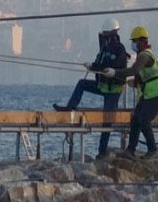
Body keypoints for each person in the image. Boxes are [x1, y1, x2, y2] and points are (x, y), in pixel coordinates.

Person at [53, 18, 129, 158]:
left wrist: (96, 67)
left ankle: (101, 151)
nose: (103, 37)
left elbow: (114, 66)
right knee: (82, 83)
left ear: (111, 33)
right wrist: (92, 66)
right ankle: (70, 108)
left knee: (108, 121)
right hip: (103, 87)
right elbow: (100, 64)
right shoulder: (105, 49)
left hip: (113, 91)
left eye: (105, 34)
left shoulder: (120, 50)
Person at [103, 26, 158, 160]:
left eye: (135, 41)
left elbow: (133, 70)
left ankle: (153, 150)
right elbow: (140, 78)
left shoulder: (145, 56)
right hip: (150, 95)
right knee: (136, 119)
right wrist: (132, 83)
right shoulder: (143, 56)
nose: (133, 44)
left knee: (143, 119)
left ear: (142, 41)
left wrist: (115, 72)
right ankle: (130, 150)